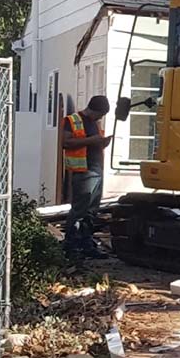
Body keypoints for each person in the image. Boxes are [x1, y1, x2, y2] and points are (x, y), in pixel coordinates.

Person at [62, 95, 112, 259]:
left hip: (96, 170)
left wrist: (102, 142)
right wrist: (92, 140)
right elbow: (66, 142)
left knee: (91, 210)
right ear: (93, 109)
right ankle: (71, 245)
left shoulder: (94, 123)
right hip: (83, 171)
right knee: (79, 209)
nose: (101, 118)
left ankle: (86, 243)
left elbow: (93, 142)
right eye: (100, 114)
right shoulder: (73, 120)